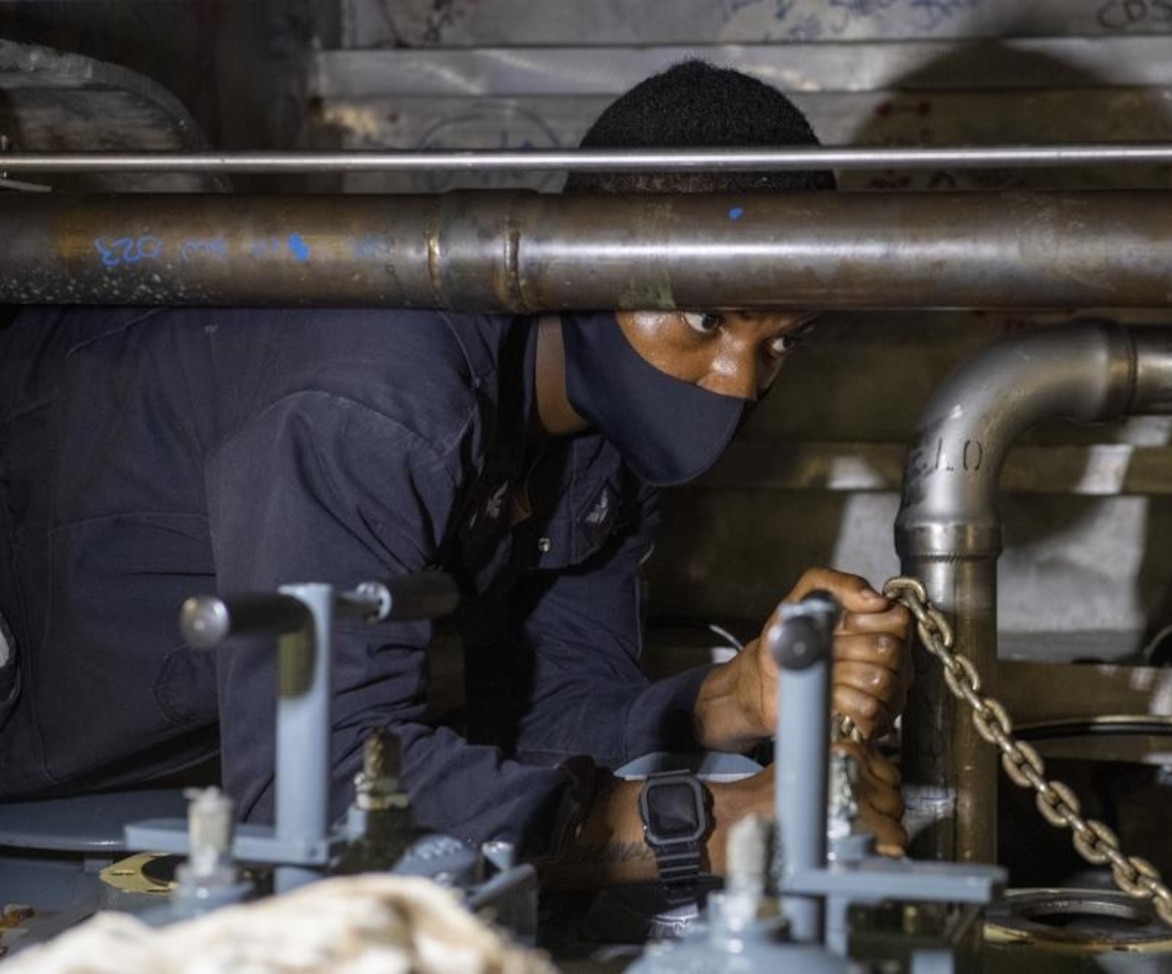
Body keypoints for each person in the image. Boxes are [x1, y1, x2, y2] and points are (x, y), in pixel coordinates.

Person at [0, 60, 910, 888]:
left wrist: (732, 698)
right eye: (710, 319)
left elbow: (549, 721)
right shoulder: (383, 397)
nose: (741, 380)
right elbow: (314, 800)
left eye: (783, 340)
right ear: (588, 261)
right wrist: (709, 828)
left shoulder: (599, 449)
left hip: (70, 771)